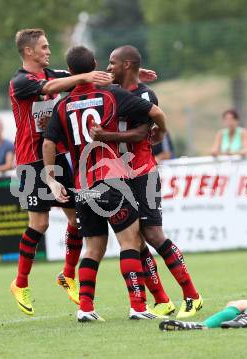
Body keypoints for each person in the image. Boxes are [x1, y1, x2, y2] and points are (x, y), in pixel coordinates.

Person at [43, 45, 169, 322]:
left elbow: (49, 142)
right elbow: (154, 112)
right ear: (96, 66)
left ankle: (85, 308)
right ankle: (138, 306)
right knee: (130, 240)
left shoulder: (62, 105)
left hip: (82, 185)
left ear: (71, 71)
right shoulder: (110, 94)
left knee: (93, 248)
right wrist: (159, 131)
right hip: (111, 179)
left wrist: (51, 180)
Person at [91, 45, 203, 319]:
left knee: (153, 235)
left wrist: (106, 137)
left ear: (126, 65)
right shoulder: (114, 91)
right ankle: (162, 300)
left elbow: (143, 131)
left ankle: (192, 296)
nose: (109, 68)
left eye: (112, 63)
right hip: (122, 176)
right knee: (135, 240)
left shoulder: (144, 94)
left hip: (144, 173)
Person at [8, 28, 113, 316]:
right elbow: (50, 89)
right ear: (28, 51)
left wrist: (130, 73)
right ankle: (20, 283)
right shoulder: (21, 82)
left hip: (56, 156)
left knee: (77, 219)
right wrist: (82, 77)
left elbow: (85, 76)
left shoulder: (52, 73)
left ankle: (67, 275)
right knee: (39, 224)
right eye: (43, 46)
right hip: (31, 160)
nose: (48, 50)